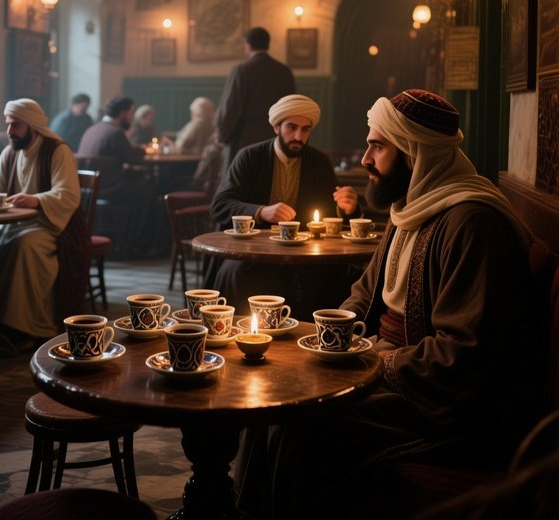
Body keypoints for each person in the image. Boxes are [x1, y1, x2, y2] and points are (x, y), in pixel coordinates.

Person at [237, 89, 535, 519]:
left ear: (414, 153)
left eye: (377, 146)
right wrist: (329, 341)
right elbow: (363, 294)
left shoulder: (472, 223)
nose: (364, 158)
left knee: (300, 423)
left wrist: (378, 361)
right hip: (389, 371)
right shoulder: (410, 209)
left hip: (442, 406)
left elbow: (461, 355)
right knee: (274, 397)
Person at [208, 94, 361, 315]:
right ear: (276, 127)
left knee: (337, 276)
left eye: (305, 130)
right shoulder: (250, 157)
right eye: (292, 128)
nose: (299, 136)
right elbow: (220, 205)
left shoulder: (319, 162)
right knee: (236, 272)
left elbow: (331, 210)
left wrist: (347, 208)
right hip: (254, 254)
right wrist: (262, 212)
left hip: (306, 256)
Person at [0, 99, 82, 343]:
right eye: (8, 125)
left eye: (16, 125)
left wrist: (37, 200)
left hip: (50, 225)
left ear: (32, 126)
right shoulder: (11, 151)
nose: (10, 132)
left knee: (24, 245)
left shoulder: (57, 150)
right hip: (17, 223)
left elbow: (68, 194)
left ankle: (26, 327)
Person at [76, 95, 155, 257]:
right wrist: (142, 149)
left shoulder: (92, 129)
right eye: (131, 113)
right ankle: (137, 244)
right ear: (123, 113)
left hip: (89, 191)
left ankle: (121, 239)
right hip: (110, 188)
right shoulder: (115, 133)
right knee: (147, 190)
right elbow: (133, 158)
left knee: (140, 185)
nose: (132, 118)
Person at [215, 27, 297, 168]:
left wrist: (222, 134)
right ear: (268, 45)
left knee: (243, 185)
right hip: (276, 140)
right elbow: (291, 108)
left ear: (247, 45)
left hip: (244, 141)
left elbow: (231, 107)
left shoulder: (241, 71)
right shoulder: (284, 71)